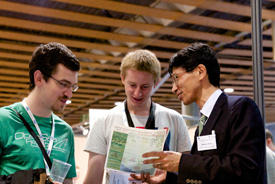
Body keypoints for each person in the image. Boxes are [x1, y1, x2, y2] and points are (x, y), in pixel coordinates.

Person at [142, 43, 266, 184]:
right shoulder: (203, 121)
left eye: (176, 78)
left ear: (200, 71)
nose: (173, 88)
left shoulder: (240, 108)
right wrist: (167, 179)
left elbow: (243, 168)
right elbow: (204, 174)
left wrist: (182, 162)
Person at [84, 49, 191, 184]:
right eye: (132, 85)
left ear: (156, 82)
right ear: (123, 78)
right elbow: (93, 177)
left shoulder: (174, 119)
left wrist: (168, 177)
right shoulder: (105, 121)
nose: (137, 93)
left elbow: (189, 172)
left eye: (145, 87)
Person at [0, 42, 80, 183]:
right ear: (39, 78)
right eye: (63, 84)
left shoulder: (65, 132)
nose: (69, 94)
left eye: (72, 87)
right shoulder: (4, 120)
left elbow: (67, 181)